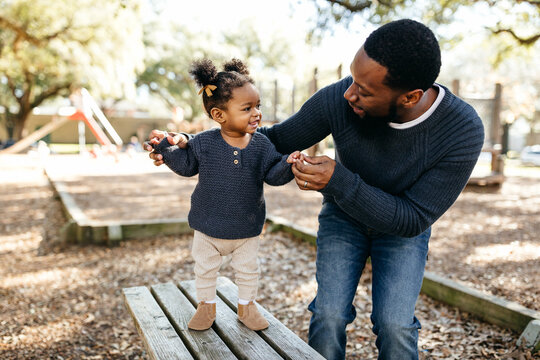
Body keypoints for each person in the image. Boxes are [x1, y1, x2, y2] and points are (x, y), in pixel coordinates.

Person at [146, 19, 484, 359]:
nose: (349, 93)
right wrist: (188, 145)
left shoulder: (461, 130)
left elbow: (412, 218)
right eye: (353, 78)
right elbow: (272, 140)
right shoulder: (341, 98)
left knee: (395, 325)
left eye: (364, 91)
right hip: (343, 218)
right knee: (328, 314)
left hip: (402, 230)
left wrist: (340, 181)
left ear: (410, 97)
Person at [147, 58, 298, 332]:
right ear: (219, 115)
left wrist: (288, 164)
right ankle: (206, 307)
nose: (257, 113)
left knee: (248, 271)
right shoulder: (205, 143)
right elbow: (186, 165)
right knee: (205, 271)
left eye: (258, 106)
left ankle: (246, 307)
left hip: (246, 229)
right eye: (247, 108)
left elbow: (273, 175)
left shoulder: (262, 145)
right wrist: (165, 148)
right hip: (207, 228)